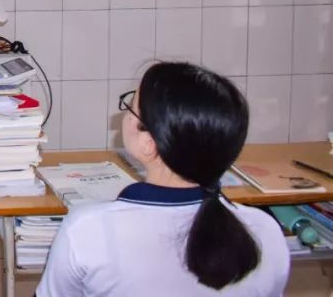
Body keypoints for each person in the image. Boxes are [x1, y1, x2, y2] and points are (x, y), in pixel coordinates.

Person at [37, 62, 289, 296]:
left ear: (149, 144)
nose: (124, 114)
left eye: (131, 106)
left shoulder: (88, 230)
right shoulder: (265, 231)